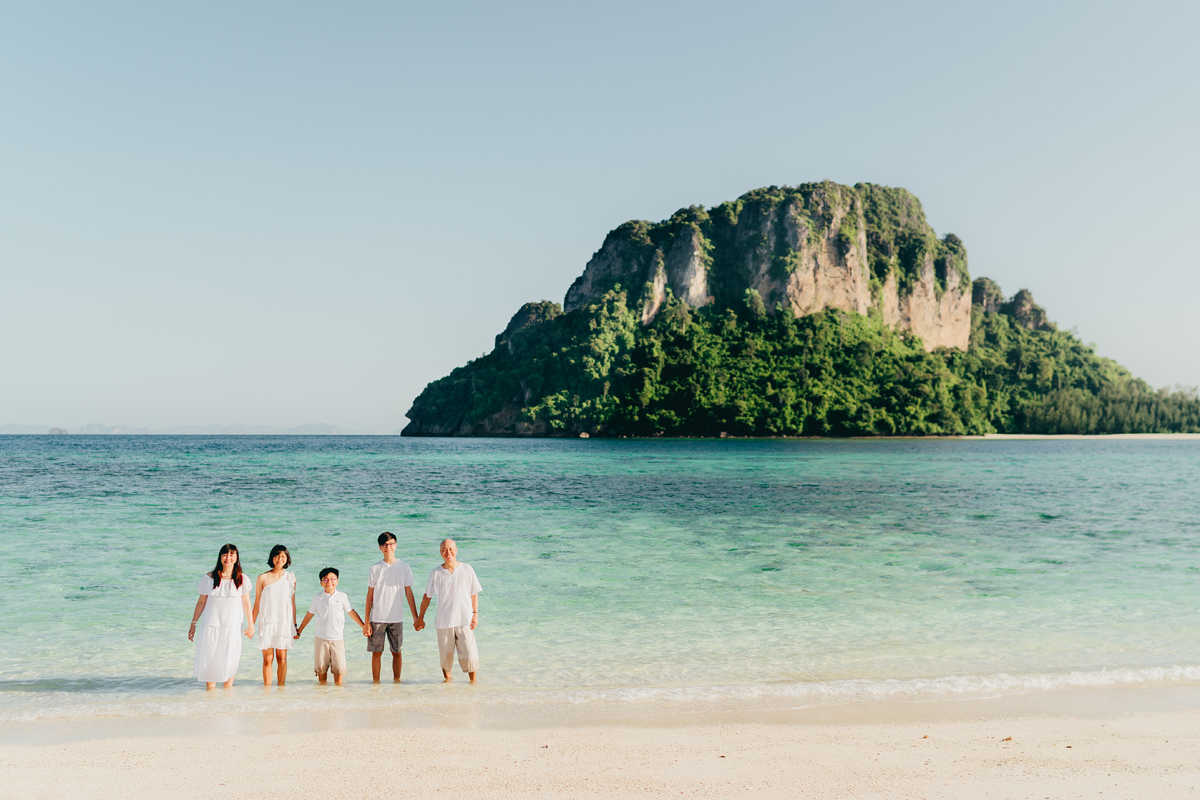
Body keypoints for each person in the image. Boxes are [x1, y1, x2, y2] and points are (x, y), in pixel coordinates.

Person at [189, 543, 255, 689]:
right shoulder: (209, 578)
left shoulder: (242, 579)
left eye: (232, 554)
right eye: (225, 554)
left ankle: (227, 693)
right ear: (220, 557)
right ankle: (210, 692)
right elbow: (201, 602)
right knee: (210, 655)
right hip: (211, 624)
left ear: (236, 558)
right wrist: (193, 623)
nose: (228, 558)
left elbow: (246, 603)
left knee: (230, 655)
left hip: (232, 625)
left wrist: (251, 625)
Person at [417, 539, 482, 683]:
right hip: (444, 622)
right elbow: (427, 597)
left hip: (464, 620)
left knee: (470, 656)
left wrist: (475, 614)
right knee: (446, 658)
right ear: (440, 553)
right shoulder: (435, 573)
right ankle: (448, 685)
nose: (448, 552)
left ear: (456, 550)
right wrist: (420, 617)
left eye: (451, 549)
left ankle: (473, 685)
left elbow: (474, 593)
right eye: (444, 550)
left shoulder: (467, 569)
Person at [364, 531, 423, 683]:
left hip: (397, 618)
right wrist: (366, 622)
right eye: (384, 545)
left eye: (391, 544)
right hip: (377, 618)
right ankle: (375, 683)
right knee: (376, 653)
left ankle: (397, 682)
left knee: (397, 652)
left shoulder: (404, 566)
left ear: (395, 545)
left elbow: (409, 593)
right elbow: (369, 596)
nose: (388, 547)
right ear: (380, 548)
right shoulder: (374, 568)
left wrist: (415, 617)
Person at [295, 567, 365, 686]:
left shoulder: (342, 596)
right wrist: (299, 631)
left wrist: (364, 626)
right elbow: (309, 615)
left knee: (339, 669)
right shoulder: (318, 597)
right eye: (325, 579)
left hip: (337, 639)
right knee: (321, 670)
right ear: (321, 583)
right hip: (321, 639)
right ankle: (323, 695)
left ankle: (337, 695)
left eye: (332, 579)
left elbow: (351, 612)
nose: (329, 582)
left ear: (337, 581)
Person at [252, 544, 297, 686]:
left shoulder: (291, 578)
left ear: (287, 559)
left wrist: (294, 626)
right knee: (267, 659)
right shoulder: (262, 578)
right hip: (267, 622)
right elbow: (257, 603)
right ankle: (267, 690)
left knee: (282, 658)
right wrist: (251, 624)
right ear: (272, 557)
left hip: (284, 622)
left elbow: (292, 603)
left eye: (283, 556)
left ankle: (281, 689)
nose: (280, 559)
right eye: (277, 556)